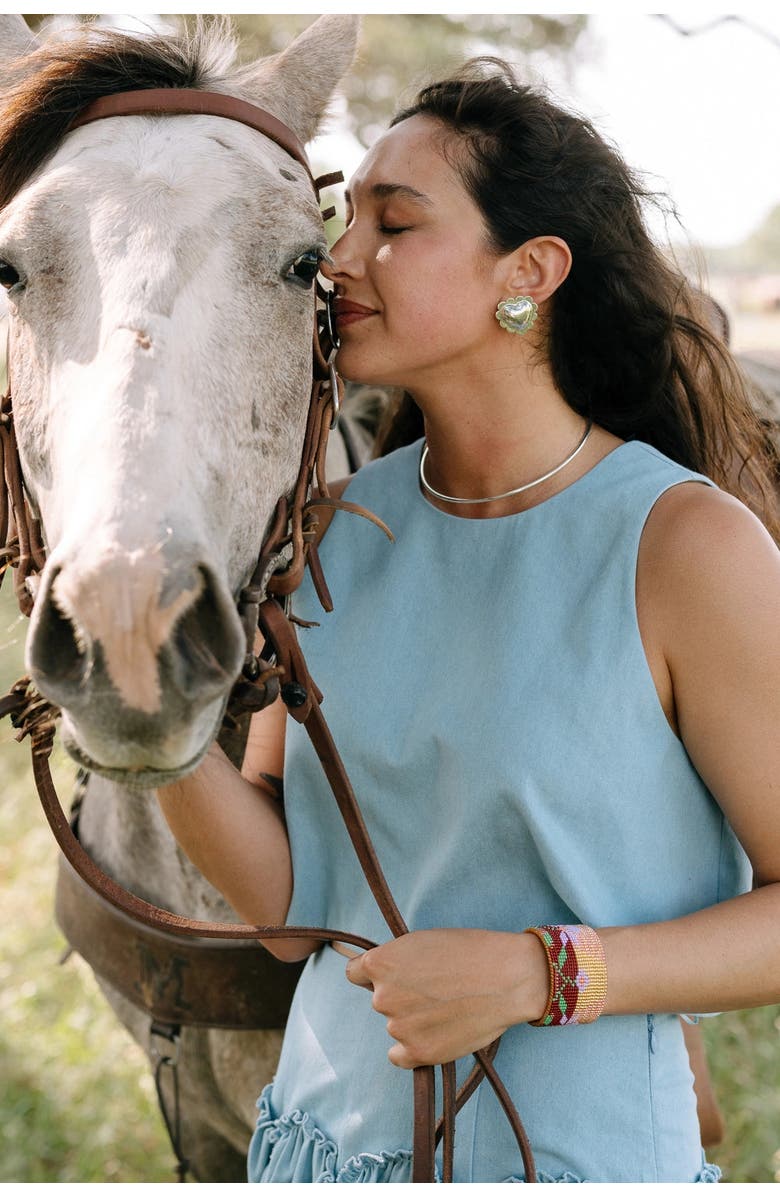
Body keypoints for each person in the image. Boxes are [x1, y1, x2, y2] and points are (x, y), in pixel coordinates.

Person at [158, 60, 780, 1183]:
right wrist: (148, 732)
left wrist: (543, 972)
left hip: (577, 1159)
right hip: (317, 1147)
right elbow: (293, 911)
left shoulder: (688, 548)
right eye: (345, 221)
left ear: (530, 272)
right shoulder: (324, 532)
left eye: (393, 223)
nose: (338, 259)